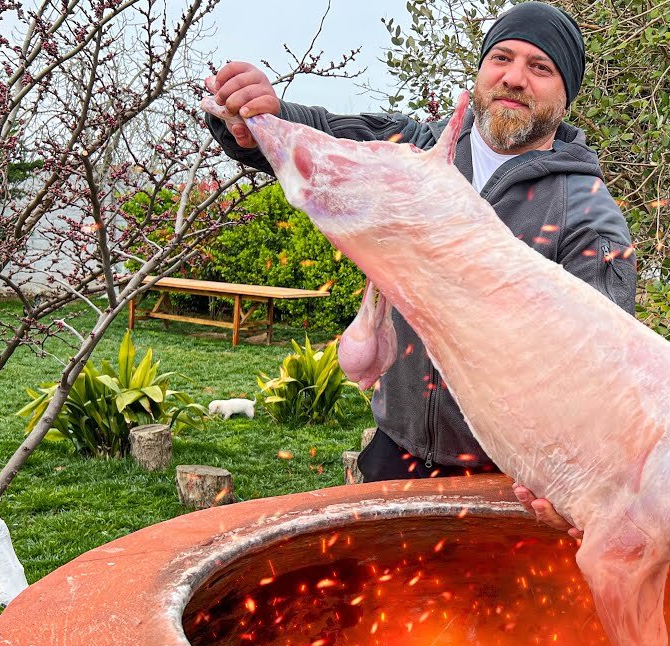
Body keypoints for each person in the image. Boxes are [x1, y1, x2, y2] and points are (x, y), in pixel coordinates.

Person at [204, 2, 631, 538]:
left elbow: (605, 373)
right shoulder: (418, 149)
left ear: (565, 94)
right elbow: (322, 135)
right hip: (394, 453)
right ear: (480, 68)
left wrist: (582, 484)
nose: (514, 78)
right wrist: (255, 117)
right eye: (502, 57)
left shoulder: (587, 211)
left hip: (505, 486)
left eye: (540, 68)